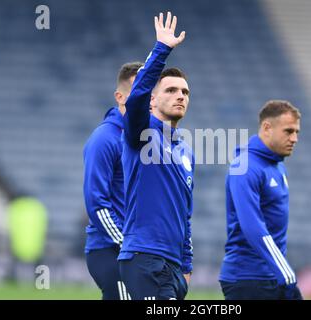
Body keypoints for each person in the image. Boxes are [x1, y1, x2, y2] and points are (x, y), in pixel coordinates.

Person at [118, 12, 193, 300]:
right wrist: (161, 49)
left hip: (172, 267)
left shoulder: (186, 150)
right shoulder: (142, 131)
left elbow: (184, 213)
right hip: (145, 258)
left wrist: (185, 266)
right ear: (153, 99)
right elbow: (135, 98)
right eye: (171, 90)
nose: (180, 96)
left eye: (185, 92)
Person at [219, 100, 303, 300]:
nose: (295, 138)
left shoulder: (276, 165)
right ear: (267, 127)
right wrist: (284, 270)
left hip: (272, 274)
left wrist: (280, 270)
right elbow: (252, 226)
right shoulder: (246, 166)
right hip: (249, 279)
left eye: (297, 132)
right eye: (288, 131)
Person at [83, 61, 143, 300]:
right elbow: (96, 204)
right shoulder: (105, 139)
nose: (145, 98)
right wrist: (128, 244)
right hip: (110, 250)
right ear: (120, 96)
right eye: (138, 92)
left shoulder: (146, 138)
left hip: (138, 250)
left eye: (149, 92)